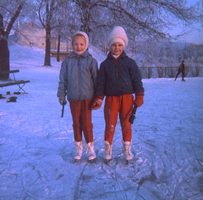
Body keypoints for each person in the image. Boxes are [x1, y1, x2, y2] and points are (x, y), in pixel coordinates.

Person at [92, 26, 144, 162]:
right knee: (110, 124)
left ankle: (127, 149)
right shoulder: (104, 65)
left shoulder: (130, 63)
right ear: (110, 46)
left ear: (124, 45)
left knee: (127, 124)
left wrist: (139, 95)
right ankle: (108, 149)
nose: (117, 48)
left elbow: (137, 80)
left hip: (127, 98)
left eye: (120, 45)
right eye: (114, 45)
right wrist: (98, 98)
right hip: (111, 99)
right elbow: (101, 84)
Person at [57, 31, 98, 162]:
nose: (78, 47)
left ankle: (90, 147)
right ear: (72, 44)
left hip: (88, 98)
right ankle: (78, 147)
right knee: (76, 124)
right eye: (76, 44)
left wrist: (98, 97)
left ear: (86, 44)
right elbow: (63, 79)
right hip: (74, 98)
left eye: (81, 44)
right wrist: (61, 94)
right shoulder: (67, 62)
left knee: (87, 123)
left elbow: (97, 80)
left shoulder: (91, 61)